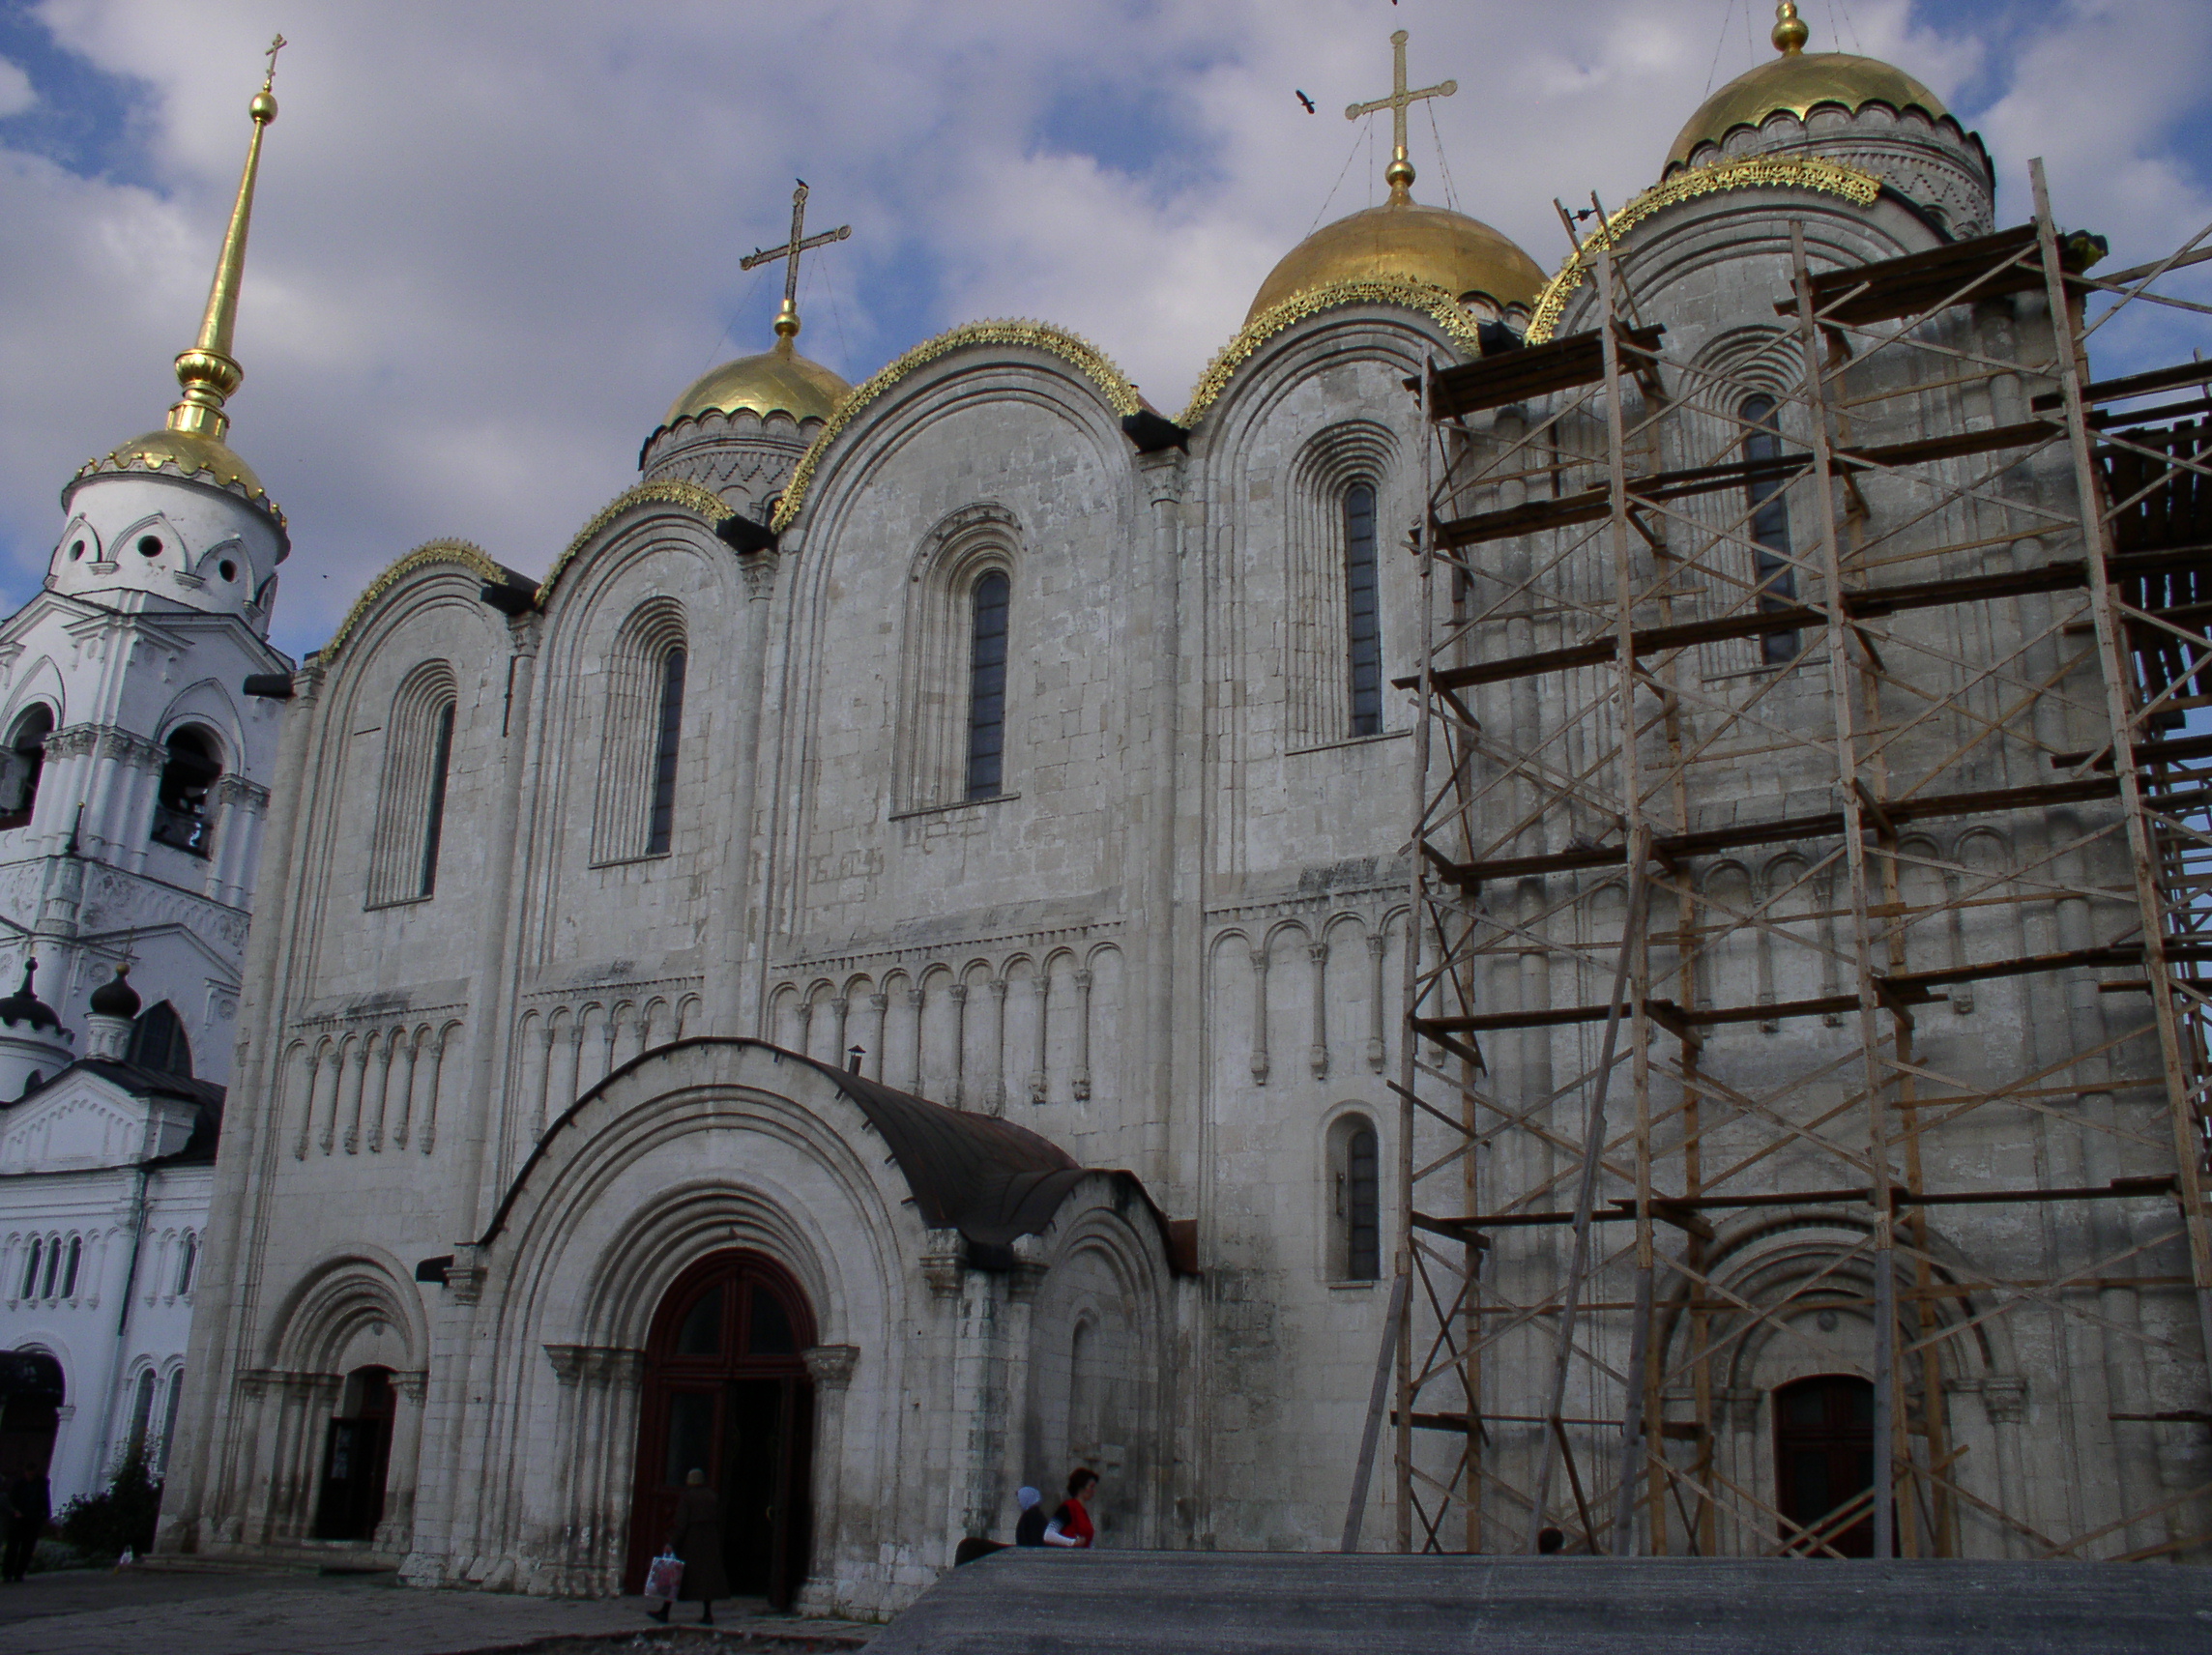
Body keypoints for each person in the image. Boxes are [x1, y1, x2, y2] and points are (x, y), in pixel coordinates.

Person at [648, 1468, 729, 1626]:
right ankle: (707, 1614)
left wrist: (672, 1542)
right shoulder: (712, 1496)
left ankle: (664, 1612)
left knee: (676, 1576)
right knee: (707, 1578)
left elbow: (681, 1524)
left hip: (692, 1540)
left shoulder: (688, 1497)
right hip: (710, 1539)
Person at [3, 1467, 48, 1582]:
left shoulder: (40, 1486)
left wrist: (44, 1516)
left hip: (31, 1520)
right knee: (13, 1548)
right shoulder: (20, 1485)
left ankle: (18, 1573)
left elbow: (45, 1501)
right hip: (19, 1520)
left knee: (26, 1549)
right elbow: (11, 1501)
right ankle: (8, 1573)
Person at [1042, 1467, 1098, 1549]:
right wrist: (1072, 1542)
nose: (1094, 1491)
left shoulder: (1082, 1511)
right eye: (1091, 1487)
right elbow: (1048, 1535)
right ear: (1081, 1488)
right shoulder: (1068, 1507)